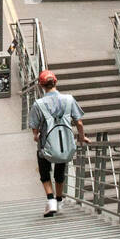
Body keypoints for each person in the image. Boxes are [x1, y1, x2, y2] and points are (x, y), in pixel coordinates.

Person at [29, 70, 88, 217]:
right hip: (65, 146)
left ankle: (51, 201)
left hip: (46, 146)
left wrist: (36, 136)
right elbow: (79, 123)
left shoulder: (38, 104)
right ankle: (59, 200)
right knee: (60, 172)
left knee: (44, 173)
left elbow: (35, 129)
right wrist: (82, 137)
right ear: (56, 82)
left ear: (41, 85)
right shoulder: (69, 99)